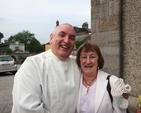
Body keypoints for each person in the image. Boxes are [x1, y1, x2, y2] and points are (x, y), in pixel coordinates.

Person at [11, 23, 81, 113]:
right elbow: (25, 108)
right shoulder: (33, 65)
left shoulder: (78, 64)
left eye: (71, 38)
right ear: (51, 38)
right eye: (62, 35)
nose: (67, 41)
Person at [76, 42, 131, 113]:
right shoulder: (74, 81)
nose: (88, 61)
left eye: (92, 57)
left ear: (98, 60)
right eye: (84, 57)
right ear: (79, 60)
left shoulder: (113, 82)